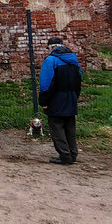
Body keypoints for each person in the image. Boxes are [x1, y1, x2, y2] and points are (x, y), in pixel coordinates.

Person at [38, 35, 82, 165]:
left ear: (51, 48)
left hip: (56, 98)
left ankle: (65, 156)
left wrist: (44, 101)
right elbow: (78, 80)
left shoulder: (51, 60)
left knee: (57, 127)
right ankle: (73, 154)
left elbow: (45, 83)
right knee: (70, 127)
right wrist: (75, 96)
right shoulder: (73, 60)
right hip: (71, 97)